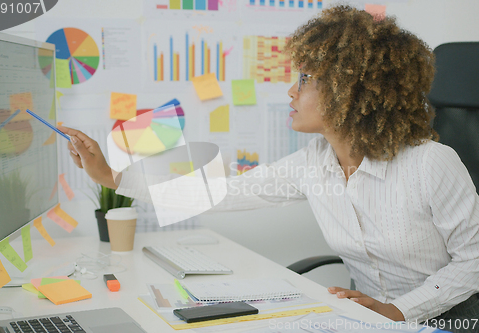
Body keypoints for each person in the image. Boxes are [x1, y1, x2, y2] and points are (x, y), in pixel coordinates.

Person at [58, 6, 479, 332]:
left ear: (351, 89)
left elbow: (474, 262)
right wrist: (114, 178)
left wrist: (398, 311)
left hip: (445, 318)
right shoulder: (314, 162)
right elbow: (225, 191)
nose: (291, 90)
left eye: (307, 78)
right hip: (363, 320)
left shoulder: (430, 163)